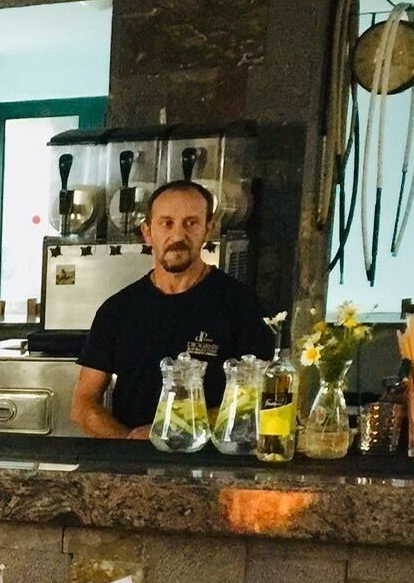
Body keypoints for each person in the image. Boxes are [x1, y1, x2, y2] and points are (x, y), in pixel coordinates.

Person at [72, 179, 274, 438]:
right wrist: (128, 442)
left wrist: (171, 431)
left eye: (191, 223)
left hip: (212, 466)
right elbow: (83, 404)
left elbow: (255, 400)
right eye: (166, 223)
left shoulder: (242, 306)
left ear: (208, 229)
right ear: (147, 232)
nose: (178, 236)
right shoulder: (118, 309)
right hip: (130, 465)